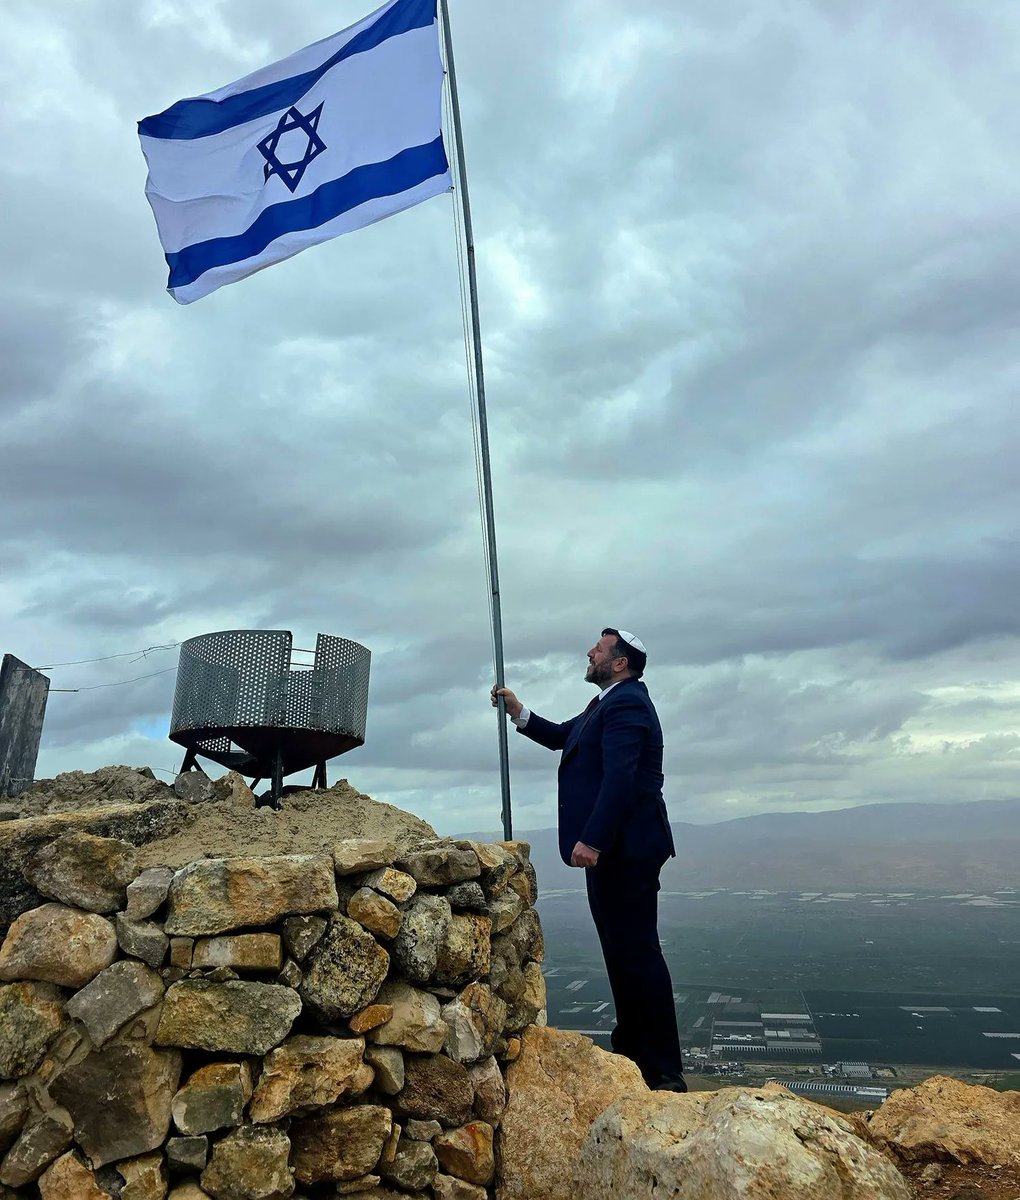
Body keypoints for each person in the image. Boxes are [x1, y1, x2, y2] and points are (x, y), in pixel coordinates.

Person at [492, 627, 686, 1091]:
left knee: (636, 952)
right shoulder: (605, 703)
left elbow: (620, 778)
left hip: (626, 848)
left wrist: (594, 840)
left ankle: (662, 1069)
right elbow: (565, 737)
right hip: (615, 851)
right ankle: (635, 1052)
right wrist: (520, 713)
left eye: (599, 649)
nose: (590, 652)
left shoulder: (628, 703)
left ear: (619, 662)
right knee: (621, 951)